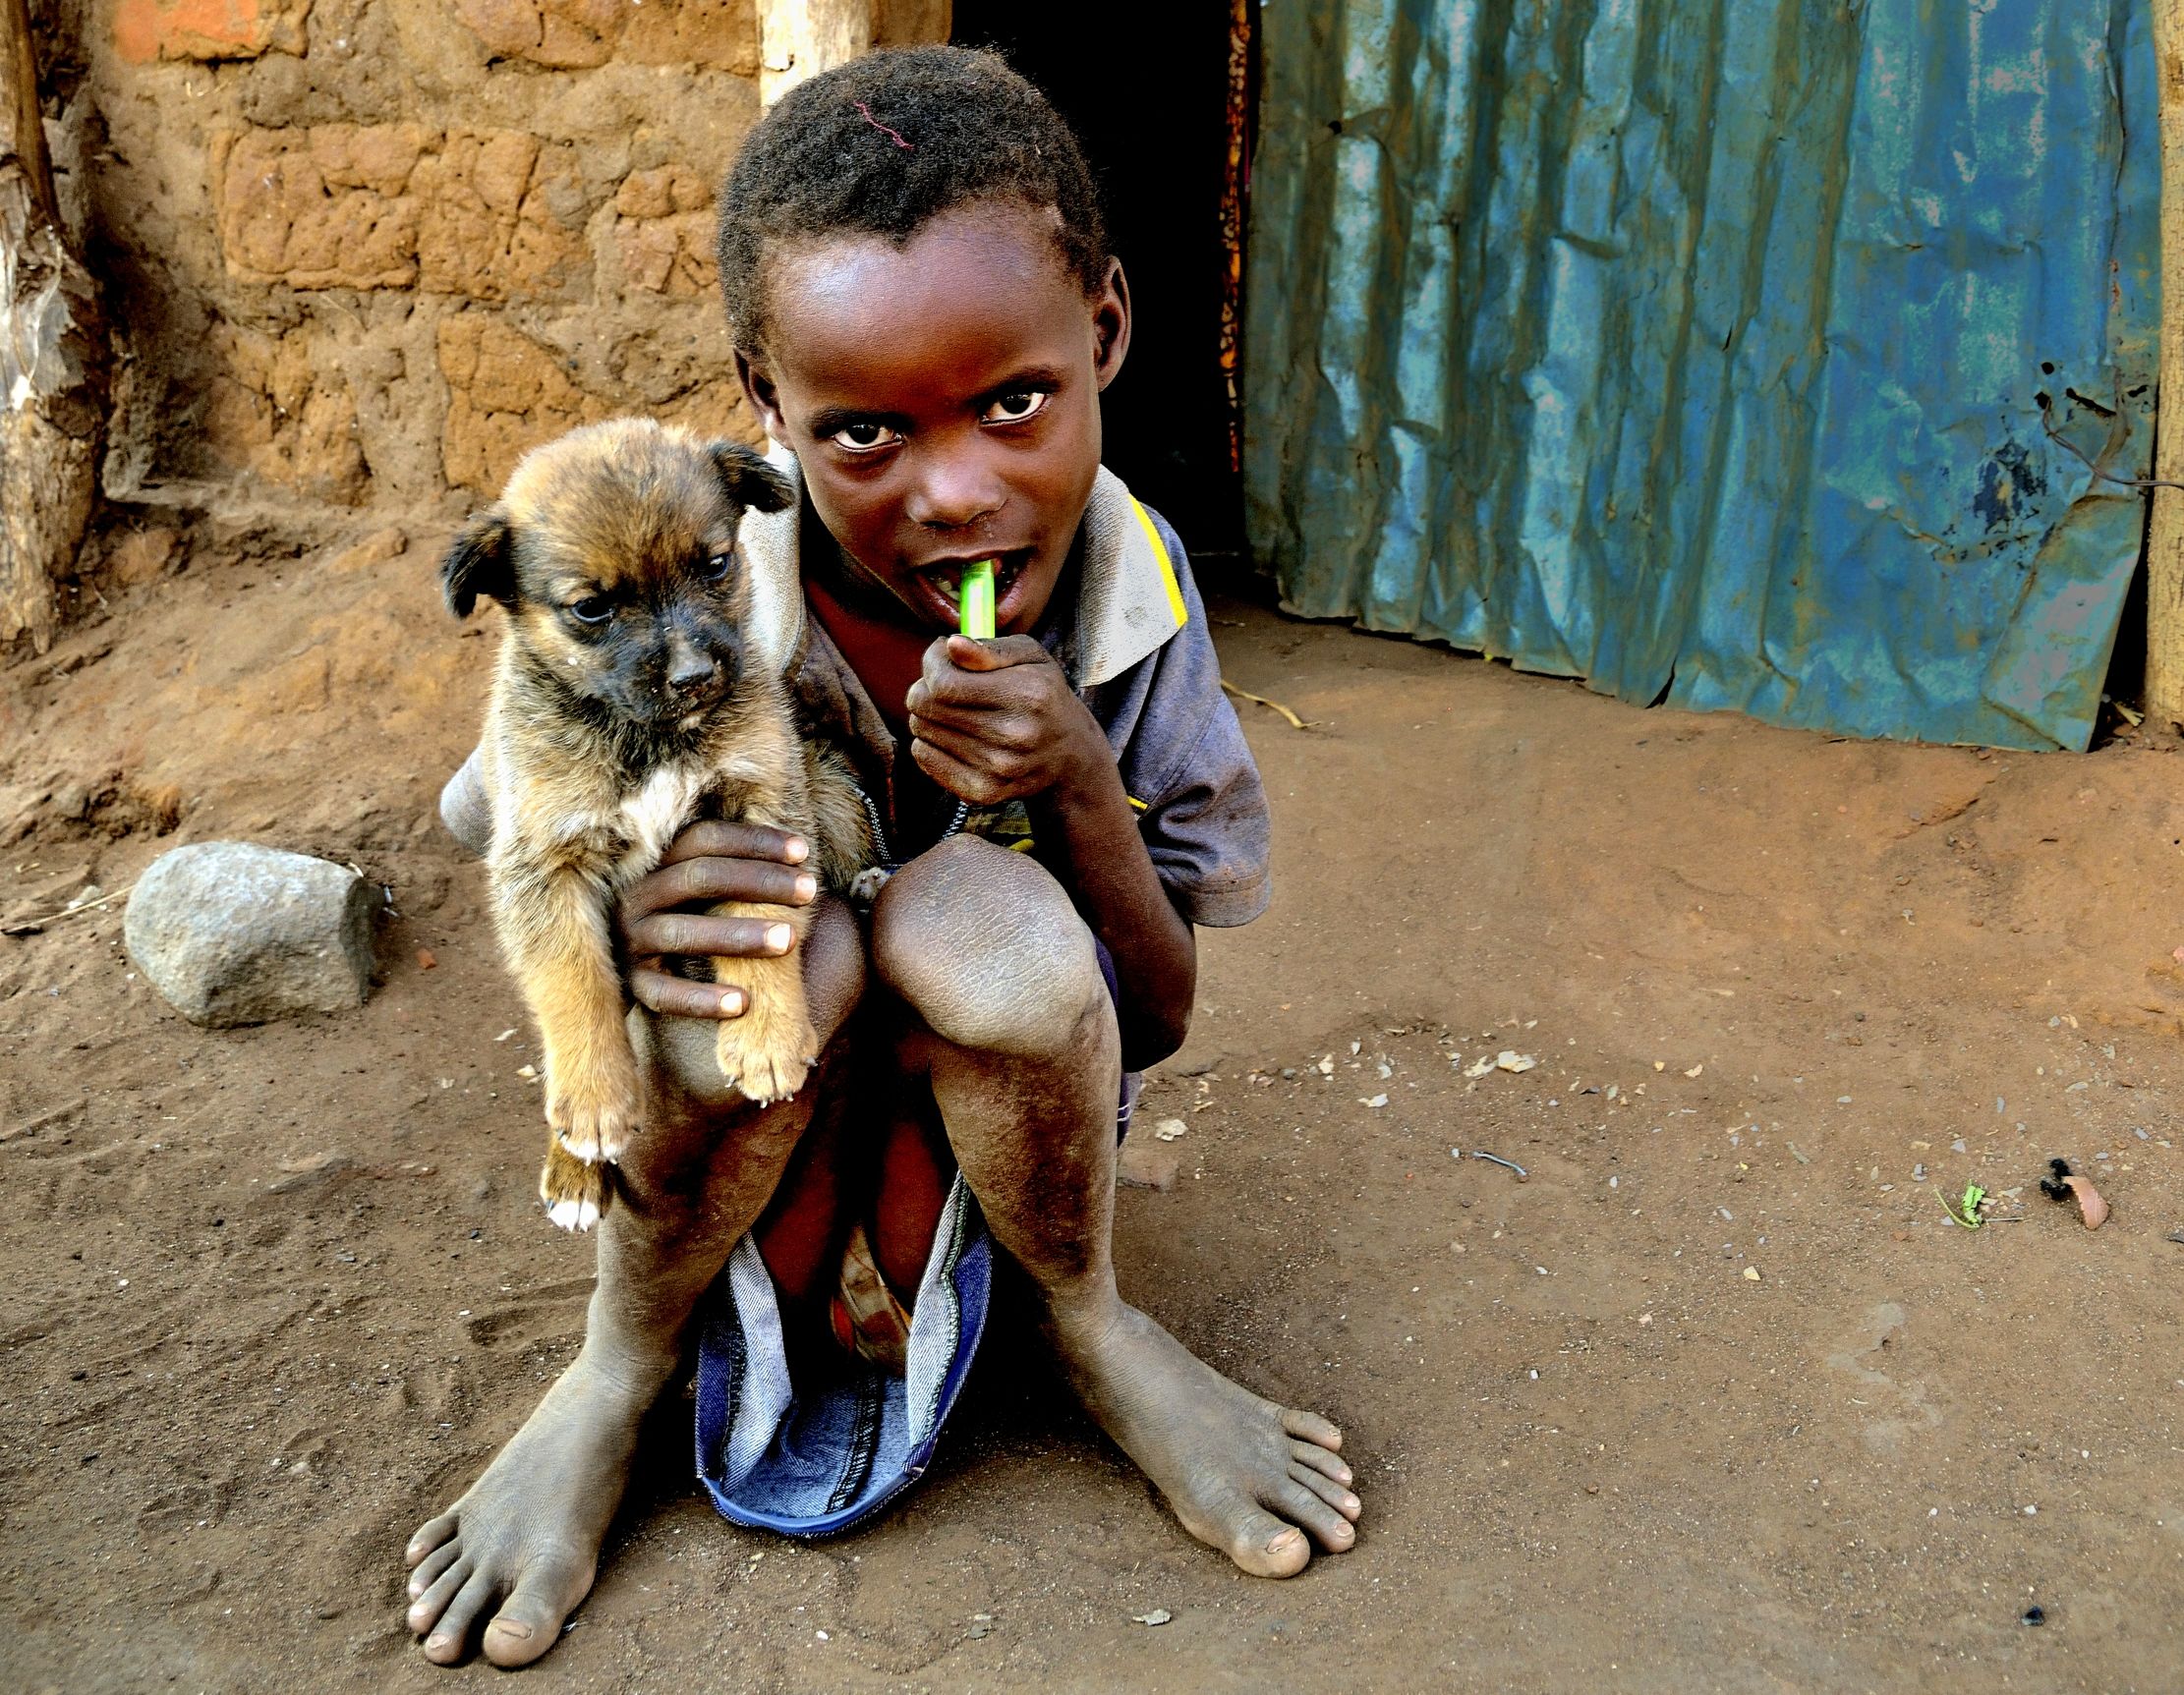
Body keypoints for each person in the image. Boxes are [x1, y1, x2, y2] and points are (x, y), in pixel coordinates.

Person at [402, 45, 1360, 1667]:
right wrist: (643, 923)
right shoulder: (703, 578)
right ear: (763, 413)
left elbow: (1166, 1009)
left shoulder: (1138, 593)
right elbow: (525, 860)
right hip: (747, 1133)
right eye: (860, 434)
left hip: (1014, 1121)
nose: (957, 492)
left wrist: (1074, 788)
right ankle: (618, 1361)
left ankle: (1086, 1317)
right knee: (778, 934)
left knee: (977, 921)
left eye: (1014, 402)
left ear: (1107, 331)